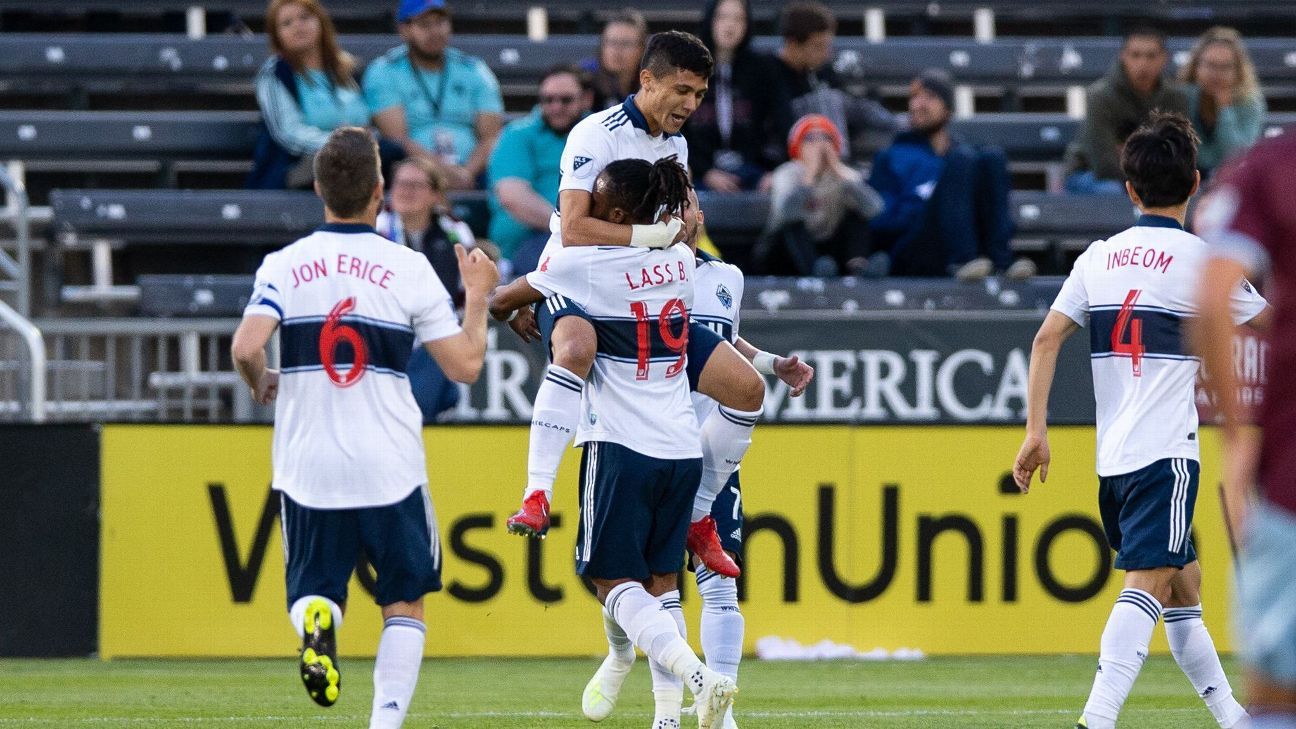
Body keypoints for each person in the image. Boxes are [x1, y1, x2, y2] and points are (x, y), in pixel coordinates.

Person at [230, 127, 499, 728]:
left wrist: (262, 381)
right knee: (404, 598)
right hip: (389, 460)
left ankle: (319, 626)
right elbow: (465, 365)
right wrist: (477, 296)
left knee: (315, 588)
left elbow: (246, 346)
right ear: (379, 191)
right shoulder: (406, 267)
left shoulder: (284, 263)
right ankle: (385, 721)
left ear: (321, 188)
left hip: (307, 462)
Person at [1013, 112, 1265, 729]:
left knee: (1185, 587)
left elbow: (1046, 340)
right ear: (1196, 183)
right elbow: (1271, 323)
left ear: (1130, 190)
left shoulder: (1099, 257)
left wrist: (1036, 432)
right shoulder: (1202, 261)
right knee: (1148, 587)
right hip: (1167, 456)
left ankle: (1234, 719)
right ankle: (1095, 720)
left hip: (1115, 461)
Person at [495, 32, 768, 582]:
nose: (691, 105)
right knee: (576, 345)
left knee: (747, 391)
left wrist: (675, 248)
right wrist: (656, 237)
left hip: (643, 292)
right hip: (576, 283)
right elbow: (573, 230)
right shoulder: (595, 134)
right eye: (682, 90)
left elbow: (687, 228)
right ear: (647, 81)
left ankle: (698, 516)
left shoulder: (677, 145)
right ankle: (537, 493)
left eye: (700, 95)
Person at [488, 158, 738, 729]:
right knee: (661, 584)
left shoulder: (581, 266)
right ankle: (667, 716)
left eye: (595, 200)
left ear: (618, 214)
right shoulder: (680, 260)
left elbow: (504, 300)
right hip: (682, 447)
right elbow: (666, 234)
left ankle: (697, 674)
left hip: (620, 445)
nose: (584, 209)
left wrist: (518, 304)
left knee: (609, 582)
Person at [1193, 132, 1296, 729]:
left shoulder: (1271, 165)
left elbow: (1212, 301)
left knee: (1276, 698)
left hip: (1291, 471)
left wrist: (1239, 437)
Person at [868, 70, 1033, 281]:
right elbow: (879, 220)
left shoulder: (966, 157)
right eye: (914, 97)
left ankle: (1002, 262)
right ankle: (963, 260)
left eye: (929, 97)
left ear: (947, 109)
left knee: (993, 157)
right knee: (963, 158)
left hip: (971, 243)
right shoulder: (891, 156)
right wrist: (924, 205)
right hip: (915, 248)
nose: (917, 104)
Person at [377, 157, 483, 422]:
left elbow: (467, 284)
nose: (406, 191)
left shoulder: (454, 231)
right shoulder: (377, 229)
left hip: (440, 330)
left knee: (438, 357)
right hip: (386, 331)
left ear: (435, 194)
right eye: (401, 184)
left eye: (416, 185)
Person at [364, 0, 504, 190]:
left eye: (440, 22)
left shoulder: (474, 70)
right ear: (404, 29)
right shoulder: (385, 71)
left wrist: (466, 174)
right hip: (412, 168)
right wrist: (442, 173)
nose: (435, 31)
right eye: (424, 24)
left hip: (473, 171)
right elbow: (397, 138)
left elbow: (491, 136)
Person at [248, 0, 374, 189]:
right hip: (299, 169)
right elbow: (288, 134)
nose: (298, 26)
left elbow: (367, 119)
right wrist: (340, 143)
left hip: (356, 160)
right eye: (287, 23)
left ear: (321, 21)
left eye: (305, 17)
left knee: (392, 155)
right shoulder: (276, 73)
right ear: (277, 36)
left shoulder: (347, 67)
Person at [488, 64, 593, 276]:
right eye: (548, 100)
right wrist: (569, 228)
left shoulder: (600, 134)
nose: (556, 107)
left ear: (586, 99)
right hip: (527, 241)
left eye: (566, 100)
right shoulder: (517, 134)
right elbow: (512, 196)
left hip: (586, 241)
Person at [769, 0, 895, 165]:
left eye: (827, 46)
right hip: (786, 161)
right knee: (827, 99)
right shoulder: (768, 72)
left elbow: (851, 108)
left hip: (828, 152)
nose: (826, 54)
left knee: (842, 101)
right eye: (818, 46)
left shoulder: (821, 71)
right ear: (792, 43)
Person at [1066, 27, 1189, 194]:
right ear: (1123, 56)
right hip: (1090, 174)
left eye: (1151, 56)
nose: (1143, 64)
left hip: (1151, 178)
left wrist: (1129, 152)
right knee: (1112, 190)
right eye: (1135, 55)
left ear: (1164, 59)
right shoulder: (1100, 96)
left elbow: (1179, 156)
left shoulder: (1176, 98)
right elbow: (1104, 164)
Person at [757, 114, 882, 277]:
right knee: (793, 226)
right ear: (798, 146)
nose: (819, 145)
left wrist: (840, 172)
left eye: (826, 138)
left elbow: (874, 209)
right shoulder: (787, 172)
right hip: (785, 254)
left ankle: (858, 268)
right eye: (810, 138)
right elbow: (786, 212)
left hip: (828, 252)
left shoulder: (843, 174)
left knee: (856, 216)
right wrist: (809, 176)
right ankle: (814, 272)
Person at [684, 0, 783, 192]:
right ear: (710, 21)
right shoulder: (688, 68)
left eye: (738, 18)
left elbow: (778, 123)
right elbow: (676, 131)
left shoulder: (763, 69)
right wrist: (705, 171)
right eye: (723, 17)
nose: (730, 25)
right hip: (700, 171)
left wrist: (773, 170)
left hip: (753, 170)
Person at [1179, 26, 1266, 176]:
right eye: (1211, 65)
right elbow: (1183, 153)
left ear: (1238, 71)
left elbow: (1238, 155)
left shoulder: (1251, 102)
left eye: (1225, 67)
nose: (1216, 74)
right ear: (1196, 66)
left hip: (1233, 177)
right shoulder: (1182, 96)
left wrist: (1225, 110)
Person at [581, 10, 649, 111]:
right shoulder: (584, 77)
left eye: (626, 44)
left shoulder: (652, 84)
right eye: (611, 42)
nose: (617, 50)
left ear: (642, 49)